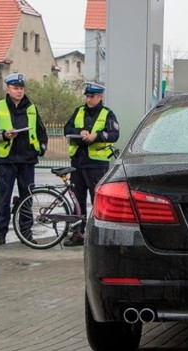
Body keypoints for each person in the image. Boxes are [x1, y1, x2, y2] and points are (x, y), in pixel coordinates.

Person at [0, 72, 48, 246]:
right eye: (16, 88)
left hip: (27, 159)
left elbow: (40, 131)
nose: (19, 91)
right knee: (5, 198)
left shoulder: (31, 107)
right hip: (6, 159)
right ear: (8, 89)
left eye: (21, 88)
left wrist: (41, 149)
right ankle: (0, 235)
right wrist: (4, 135)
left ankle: (26, 234)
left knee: (27, 197)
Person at [63, 82, 119, 246]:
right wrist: (79, 132)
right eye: (87, 96)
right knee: (77, 201)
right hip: (78, 163)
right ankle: (77, 233)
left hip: (96, 165)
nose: (89, 99)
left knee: (98, 201)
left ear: (100, 97)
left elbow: (114, 134)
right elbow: (67, 129)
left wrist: (97, 136)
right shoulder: (79, 111)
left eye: (92, 96)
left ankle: (99, 235)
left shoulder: (107, 114)